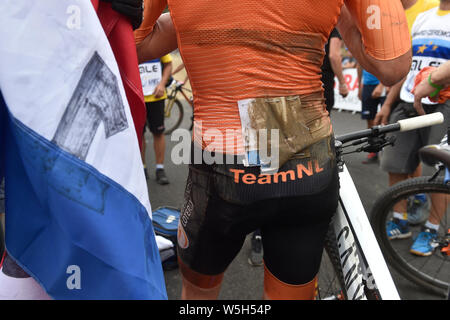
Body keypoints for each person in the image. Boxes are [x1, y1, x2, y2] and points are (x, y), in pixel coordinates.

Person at [135, 0, 411, 300]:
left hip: (222, 168)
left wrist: (203, 21)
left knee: (198, 295)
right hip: (308, 165)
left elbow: (137, 44)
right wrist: (340, 14)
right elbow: (392, 66)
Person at [374, 0, 449, 257]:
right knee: (393, 164)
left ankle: (431, 230)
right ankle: (400, 220)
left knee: (438, 172)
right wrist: (387, 103)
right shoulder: (422, 18)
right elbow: (408, 65)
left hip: (443, 106)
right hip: (407, 101)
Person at [139, 54, 173, 184]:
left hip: (156, 96)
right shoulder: (131, 39)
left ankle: (160, 169)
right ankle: (142, 168)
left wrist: (162, 84)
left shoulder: (156, 38)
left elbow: (168, 64)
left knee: (158, 133)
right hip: (137, 96)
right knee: (139, 134)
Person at [357, 67, 388, 163]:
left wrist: (382, 84)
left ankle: (386, 151)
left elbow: (389, 65)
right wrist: (359, 86)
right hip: (367, 85)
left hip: (385, 84)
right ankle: (374, 149)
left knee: (385, 119)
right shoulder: (362, 51)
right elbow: (359, 66)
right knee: (370, 120)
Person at [321, 28, 349, 114]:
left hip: (301, 76)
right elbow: (334, 56)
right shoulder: (333, 27)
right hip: (322, 78)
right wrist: (342, 83)